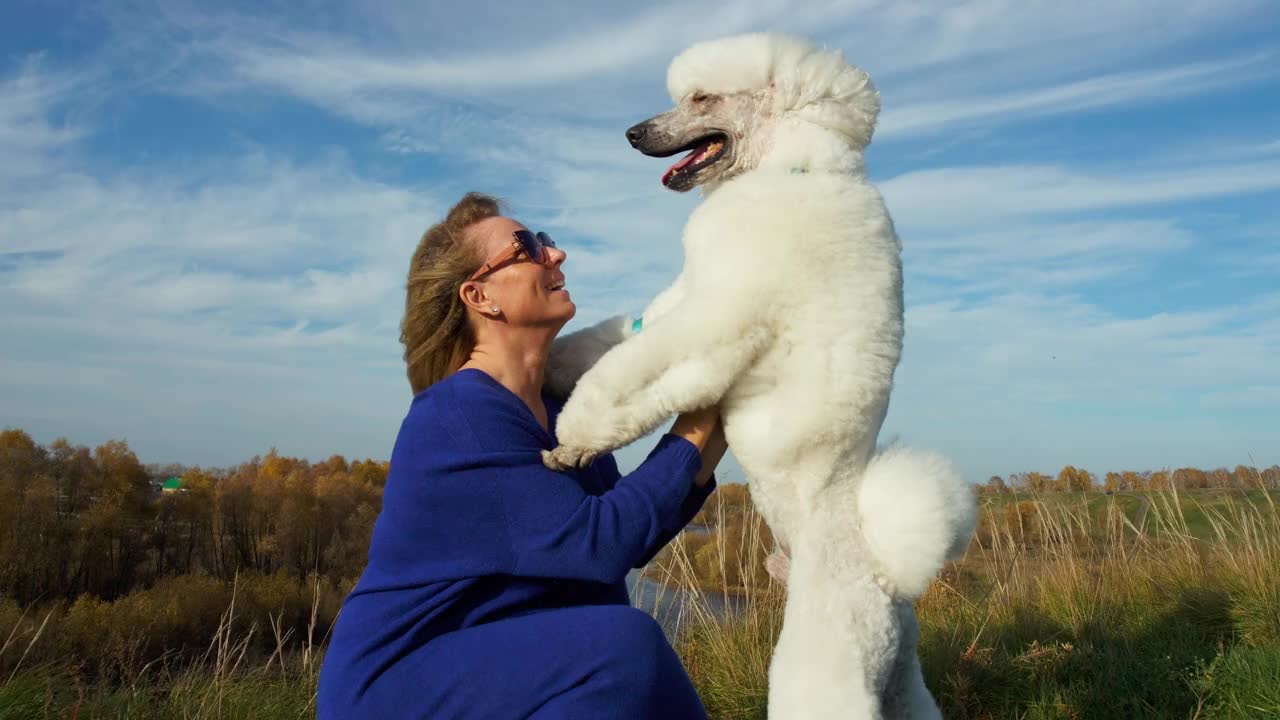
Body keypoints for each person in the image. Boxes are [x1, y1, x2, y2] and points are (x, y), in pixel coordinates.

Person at [317, 192, 727, 719]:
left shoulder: (559, 413)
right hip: (400, 680)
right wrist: (700, 408)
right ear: (480, 296)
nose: (555, 255)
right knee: (623, 647)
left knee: (605, 623)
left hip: (499, 665)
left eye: (548, 242)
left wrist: (732, 388)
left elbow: (633, 535)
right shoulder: (458, 416)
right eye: (529, 246)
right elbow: (600, 542)